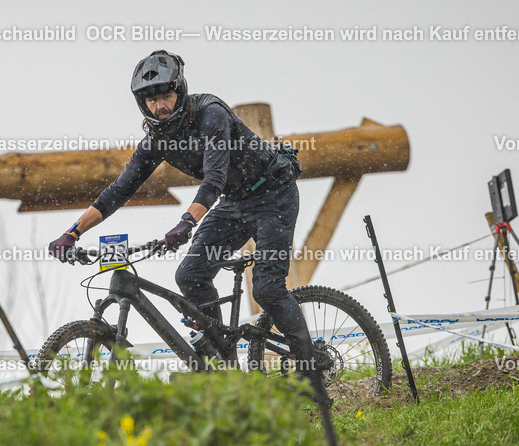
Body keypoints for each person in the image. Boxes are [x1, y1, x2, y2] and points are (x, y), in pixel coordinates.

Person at [49, 49, 318, 374]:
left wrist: (186, 222)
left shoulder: (211, 114)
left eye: (165, 96)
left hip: (273, 192)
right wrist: (71, 233)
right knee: (189, 275)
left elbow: (214, 179)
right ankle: (223, 368)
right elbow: (118, 192)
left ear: (180, 91)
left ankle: (310, 373)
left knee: (267, 288)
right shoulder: (156, 140)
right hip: (235, 202)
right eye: (151, 101)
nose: (159, 106)